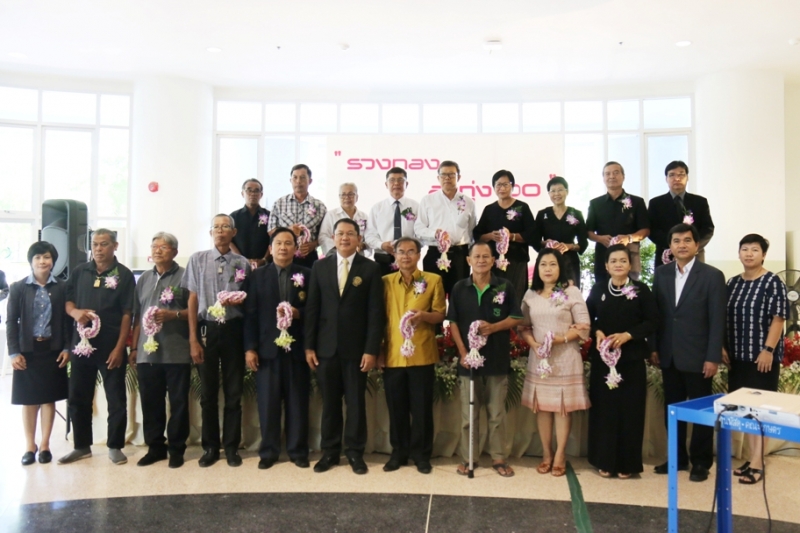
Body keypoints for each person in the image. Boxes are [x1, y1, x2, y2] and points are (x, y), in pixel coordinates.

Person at [305, 218, 385, 475]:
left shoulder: (370, 268)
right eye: (340, 233)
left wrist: (371, 350)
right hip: (326, 349)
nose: (345, 238)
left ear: (359, 239)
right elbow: (312, 309)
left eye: (350, 234)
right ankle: (329, 452)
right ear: (333, 238)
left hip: (357, 350)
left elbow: (375, 313)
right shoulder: (320, 266)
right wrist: (309, 347)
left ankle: (354, 452)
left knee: (355, 403)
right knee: (329, 404)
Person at [651, 223, 726, 482]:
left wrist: (713, 356)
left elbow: (717, 320)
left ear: (696, 244)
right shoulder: (661, 274)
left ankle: (701, 462)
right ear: (669, 246)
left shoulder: (712, 276)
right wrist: (654, 347)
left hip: (699, 357)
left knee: (701, 412)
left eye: (686, 240)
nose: (681, 245)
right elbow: (657, 315)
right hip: (669, 355)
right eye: (676, 241)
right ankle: (677, 458)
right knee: (673, 410)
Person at [447, 242, 523, 477]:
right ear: (468, 260)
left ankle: (499, 458)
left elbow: (516, 317)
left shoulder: (504, 286)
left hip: (497, 359)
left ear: (493, 260)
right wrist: (463, 353)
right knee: (468, 414)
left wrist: (494, 327)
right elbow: (453, 322)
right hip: (468, 362)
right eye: (476, 256)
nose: (481, 260)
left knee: (496, 413)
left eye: (486, 256)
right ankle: (468, 458)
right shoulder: (459, 288)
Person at [60, 229, 135, 465]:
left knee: (116, 398)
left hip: (110, 347)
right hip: (82, 346)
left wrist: (119, 348)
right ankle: (82, 446)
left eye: (104, 244)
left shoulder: (124, 275)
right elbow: (68, 301)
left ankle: (115, 446)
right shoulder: (80, 271)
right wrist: (74, 312)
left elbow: (127, 313)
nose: (98, 249)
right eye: (95, 244)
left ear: (115, 246)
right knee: (78, 396)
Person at [184, 214, 251, 468]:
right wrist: (193, 339)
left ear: (234, 233)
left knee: (234, 393)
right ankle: (210, 447)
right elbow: (192, 300)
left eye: (225, 227)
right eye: (216, 227)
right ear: (211, 232)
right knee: (208, 394)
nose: (220, 231)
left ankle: (231, 447)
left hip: (234, 330)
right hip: (207, 330)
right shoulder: (198, 259)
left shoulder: (242, 263)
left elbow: (248, 300)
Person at [585, 244, 658, 478]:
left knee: (630, 411)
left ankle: (628, 464)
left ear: (630, 264)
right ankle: (604, 460)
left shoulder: (641, 290)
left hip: (631, 359)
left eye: (623, 260)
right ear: (606, 266)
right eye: (613, 261)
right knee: (604, 410)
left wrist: (628, 335)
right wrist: (596, 332)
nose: (618, 264)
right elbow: (587, 319)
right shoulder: (598, 289)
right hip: (603, 360)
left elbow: (653, 321)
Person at [518, 249, 591, 477]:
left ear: (560, 267)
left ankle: (560, 454)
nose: (547, 269)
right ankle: (546, 453)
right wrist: (533, 344)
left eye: (552, 264)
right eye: (543, 264)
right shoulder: (530, 294)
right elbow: (523, 326)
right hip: (540, 358)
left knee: (561, 408)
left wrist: (560, 339)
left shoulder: (571, 291)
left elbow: (584, 326)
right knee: (542, 407)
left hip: (565, 357)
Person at [244, 227, 312, 470]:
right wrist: (250, 348)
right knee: (268, 404)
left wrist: (298, 313)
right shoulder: (257, 276)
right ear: (270, 249)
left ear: (296, 248)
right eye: (278, 243)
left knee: (297, 403)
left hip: (297, 350)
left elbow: (314, 311)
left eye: (288, 243)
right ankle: (269, 452)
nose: (283, 247)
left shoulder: (307, 274)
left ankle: (297, 451)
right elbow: (250, 315)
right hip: (267, 351)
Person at [723, 234, 788, 485]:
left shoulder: (772, 281)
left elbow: (778, 319)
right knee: (744, 411)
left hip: (762, 358)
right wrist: (722, 346)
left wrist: (768, 350)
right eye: (745, 249)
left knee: (759, 411)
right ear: (739, 253)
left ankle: (758, 464)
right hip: (737, 357)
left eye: (755, 249)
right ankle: (752, 459)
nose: (749, 254)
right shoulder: (733, 283)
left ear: (763, 255)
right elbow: (724, 317)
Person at [379, 237, 446, 474]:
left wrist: (424, 316)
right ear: (394, 255)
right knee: (396, 408)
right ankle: (398, 453)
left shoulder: (433, 280)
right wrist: (379, 351)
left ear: (419, 255)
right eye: (401, 252)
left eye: (411, 251)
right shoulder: (385, 282)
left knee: (421, 410)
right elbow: (378, 318)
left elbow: (440, 315)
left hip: (422, 354)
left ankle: (421, 455)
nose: (406, 256)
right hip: (393, 354)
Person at [130, 232, 191, 468]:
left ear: (174, 252)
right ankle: (155, 448)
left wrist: (174, 315)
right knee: (151, 403)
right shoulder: (144, 278)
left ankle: (176, 449)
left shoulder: (185, 276)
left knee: (178, 404)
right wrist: (134, 348)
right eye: (154, 246)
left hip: (177, 351)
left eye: (163, 247)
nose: (157, 250)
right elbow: (137, 317)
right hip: (147, 353)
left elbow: (195, 312)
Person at [6, 242, 70, 465]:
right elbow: (11, 321)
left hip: (52, 350)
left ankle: (44, 445)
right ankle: (29, 446)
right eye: (38, 258)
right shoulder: (18, 287)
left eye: (47, 257)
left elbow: (67, 321)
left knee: (48, 399)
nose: (42, 261)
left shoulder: (62, 287)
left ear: (53, 261)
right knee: (29, 400)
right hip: (27, 351)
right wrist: (14, 352)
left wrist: (67, 348)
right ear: (31, 261)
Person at [473, 169, 536, 304]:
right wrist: (490, 236)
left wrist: (511, 236)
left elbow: (532, 234)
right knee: (495, 298)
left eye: (505, 184)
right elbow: (477, 234)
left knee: (515, 297)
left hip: (516, 260)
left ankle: (514, 318)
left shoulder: (522, 207)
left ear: (512, 186)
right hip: (493, 262)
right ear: (493, 187)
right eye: (498, 185)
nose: (502, 188)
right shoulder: (489, 209)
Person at [415, 160, 477, 295]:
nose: (447, 178)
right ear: (438, 178)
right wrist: (435, 233)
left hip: (460, 255)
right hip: (435, 253)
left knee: (460, 296)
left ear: (458, 177)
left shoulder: (468, 202)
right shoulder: (428, 200)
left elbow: (472, 230)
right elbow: (418, 229)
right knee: (434, 296)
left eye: (451, 174)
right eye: (443, 175)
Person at [586, 162, 650, 284]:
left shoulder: (637, 202)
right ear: (603, 178)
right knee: (603, 288)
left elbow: (645, 230)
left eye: (616, 173)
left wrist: (629, 238)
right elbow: (588, 231)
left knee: (630, 290)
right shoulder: (595, 204)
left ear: (623, 176)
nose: (612, 176)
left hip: (629, 255)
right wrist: (599, 238)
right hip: (603, 256)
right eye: (607, 174)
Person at [648, 161, 714, 267]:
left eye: (681, 174)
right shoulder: (656, 203)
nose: (677, 178)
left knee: (696, 278)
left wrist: (694, 246)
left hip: (695, 254)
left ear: (687, 177)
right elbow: (652, 230)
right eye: (672, 175)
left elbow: (708, 228)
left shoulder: (700, 202)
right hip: (666, 254)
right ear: (666, 179)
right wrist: (673, 246)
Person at [532, 176, 588, 288]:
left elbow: (583, 243)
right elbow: (535, 241)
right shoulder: (542, 214)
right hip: (548, 261)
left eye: (560, 190)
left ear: (567, 192)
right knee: (546, 292)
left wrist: (569, 246)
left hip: (569, 261)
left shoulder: (576, 214)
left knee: (570, 293)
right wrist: (546, 243)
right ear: (549, 194)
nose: (556, 194)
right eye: (553, 191)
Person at [268, 164, 327, 269]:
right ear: (290, 180)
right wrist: (287, 230)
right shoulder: (279, 203)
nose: (298, 181)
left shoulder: (320, 206)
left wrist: (313, 245)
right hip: (283, 254)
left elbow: (324, 234)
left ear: (310, 181)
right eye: (295, 177)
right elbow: (271, 231)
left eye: (302, 177)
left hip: (309, 256)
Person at [365, 167, 420, 277]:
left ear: (406, 184)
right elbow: (369, 235)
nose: (396, 183)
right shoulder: (377, 208)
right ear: (386, 184)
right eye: (392, 180)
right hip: (383, 259)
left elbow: (420, 233)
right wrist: (381, 245)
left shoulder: (416, 207)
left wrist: (408, 247)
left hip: (408, 259)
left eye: (400, 180)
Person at [318, 182, 369, 257]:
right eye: (343, 195)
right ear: (339, 197)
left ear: (357, 197)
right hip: (335, 253)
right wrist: (340, 246)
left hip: (358, 254)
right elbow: (323, 236)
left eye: (350, 194)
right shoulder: (331, 215)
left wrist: (362, 245)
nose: (347, 197)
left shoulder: (364, 216)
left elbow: (369, 237)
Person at [230, 178, 271, 269]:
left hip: (264, 265)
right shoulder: (234, 216)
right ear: (242, 193)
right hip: (239, 265)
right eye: (249, 190)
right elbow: (229, 241)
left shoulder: (270, 215)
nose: (253, 193)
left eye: (256, 191)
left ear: (261, 194)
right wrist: (242, 259)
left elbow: (274, 239)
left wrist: (264, 259)